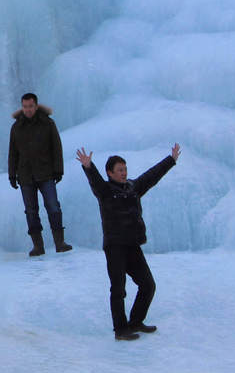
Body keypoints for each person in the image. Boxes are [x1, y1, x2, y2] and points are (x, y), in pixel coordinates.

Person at [76, 143, 181, 341]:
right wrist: (88, 167)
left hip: (132, 245)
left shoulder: (133, 187)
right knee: (118, 289)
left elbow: (151, 176)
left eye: (125, 169)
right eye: (119, 170)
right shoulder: (105, 191)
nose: (124, 173)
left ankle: (135, 322)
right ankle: (120, 329)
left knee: (148, 284)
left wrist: (171, 160)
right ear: (110, 173)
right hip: (115, 246)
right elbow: (95, 182)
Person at [8, 93, 72, 256]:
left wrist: (58, 170)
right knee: (30, 210)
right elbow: (13, 153)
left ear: (36, 106)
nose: (27, 110)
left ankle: (60, 242)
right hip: (25, 175)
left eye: (30, 106)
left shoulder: (48, 124)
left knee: (53, 206)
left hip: (46, 173)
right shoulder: (16, 127)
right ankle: (38, 246)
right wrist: (12, 174)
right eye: (25, 106)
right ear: (22, 107)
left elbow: (56, 147)